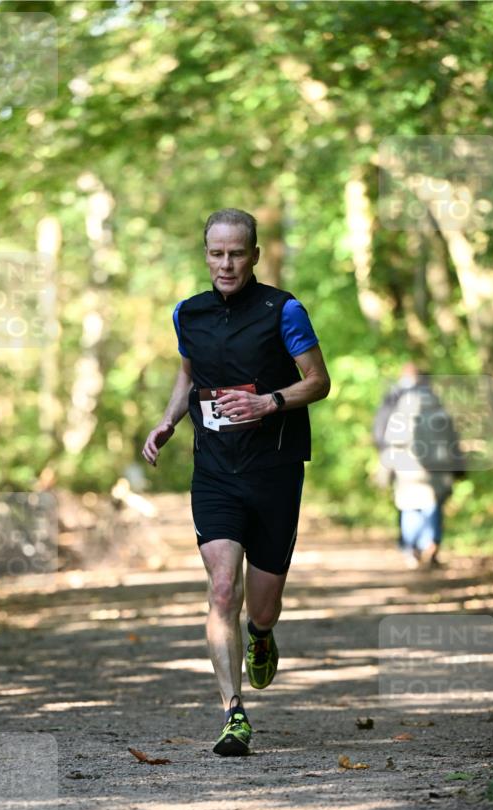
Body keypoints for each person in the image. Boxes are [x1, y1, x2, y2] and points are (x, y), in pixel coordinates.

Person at [142, 208, 330, 756]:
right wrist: (168, 420)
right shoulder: (188, 314)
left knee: (263, 607)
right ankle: (233, 713)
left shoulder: (284, 310)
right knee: (223, 588)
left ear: (254, 255)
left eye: (236, 253)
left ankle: (262, 635)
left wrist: (268, 402)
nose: (226, 264)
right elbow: (188, 374)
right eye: (216, 253)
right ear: (206, 255)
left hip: (274, 471)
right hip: (215, 470)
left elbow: (319, 382)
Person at [372, 363, 463, 568]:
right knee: (433, 505)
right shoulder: (441, 410)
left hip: (407, 467)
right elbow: (453, 441)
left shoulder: (400, 411)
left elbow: (392, 442)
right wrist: (458, 466)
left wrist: (386, 468)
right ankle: (431, 544)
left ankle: (411, 549)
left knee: (409, 507)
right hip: (437, 468)